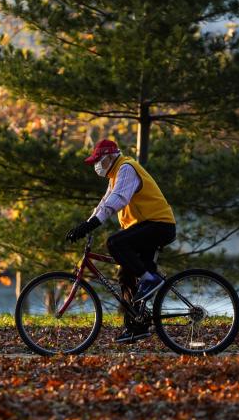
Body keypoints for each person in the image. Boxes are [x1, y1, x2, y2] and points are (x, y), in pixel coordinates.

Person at [66, 139, 176, 343]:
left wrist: (92, 225)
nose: (97, 166)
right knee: (126, 275)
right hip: (147, 227)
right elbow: (103, 204)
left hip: (158, 225)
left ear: (109, 157)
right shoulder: (114, 176)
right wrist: (85, 225)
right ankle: (137, 327)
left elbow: (118, 199)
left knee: (115, 243)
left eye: (98, 160)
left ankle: (151, 279)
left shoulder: (126, 168)